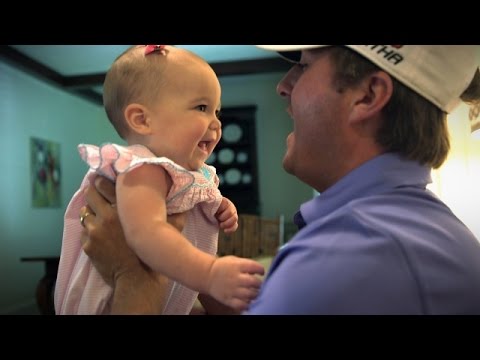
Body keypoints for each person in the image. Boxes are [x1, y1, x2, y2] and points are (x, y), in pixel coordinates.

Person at [80, 45, 480, 314]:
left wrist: (133, 277)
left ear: (367, 96)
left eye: (303, 67)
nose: (283, 86)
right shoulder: (398, 231)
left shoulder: (351, 257)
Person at [54, 45, 264, 315]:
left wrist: (219, 205)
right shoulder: (141, 167)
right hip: (110, 300)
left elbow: (186, 203)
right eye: (201, 107)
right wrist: (209, 274)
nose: (215, 123)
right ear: (142, 120)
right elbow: (147, 231)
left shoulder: (187, 172)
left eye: (216, 111)